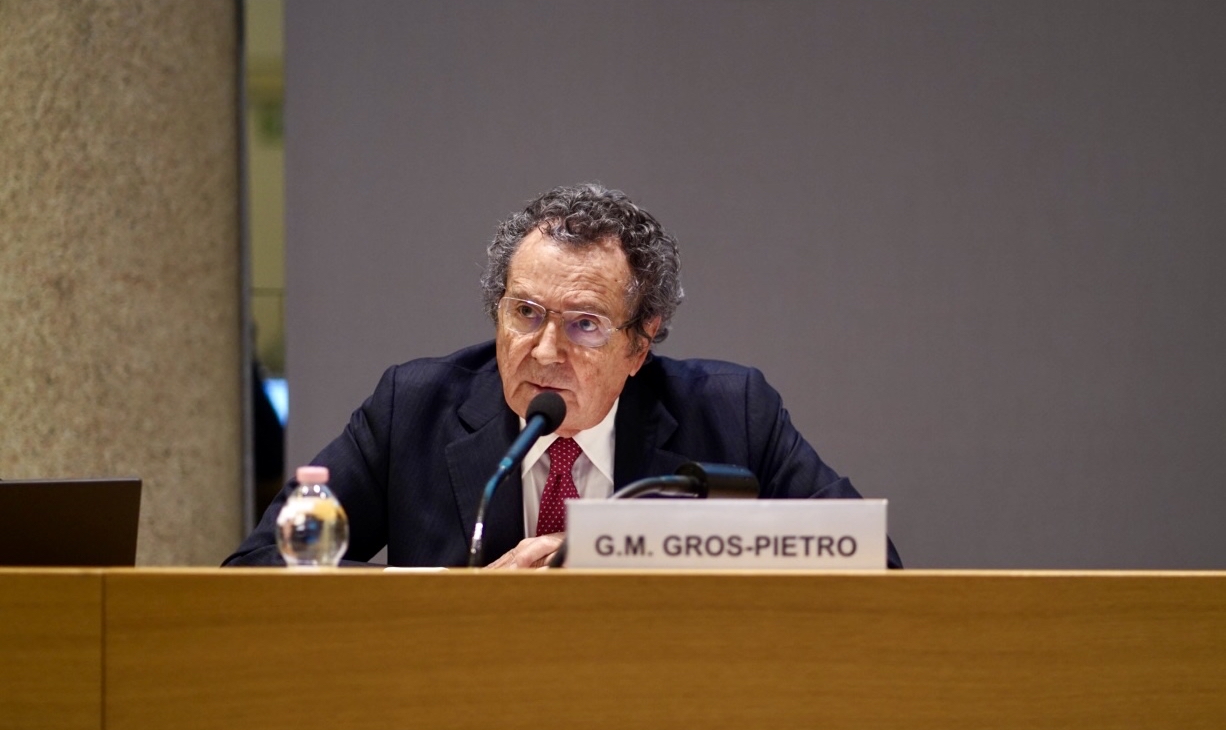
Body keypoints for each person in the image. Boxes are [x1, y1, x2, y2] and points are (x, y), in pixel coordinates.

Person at [224, 183, 902, 569]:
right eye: (525, 312)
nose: (546, 350)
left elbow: (871, 562)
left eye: (584, 323)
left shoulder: (731, 413)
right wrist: (458, 604)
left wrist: (641, 563)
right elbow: (259, 568)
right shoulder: (415, 407)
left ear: (640, 343)